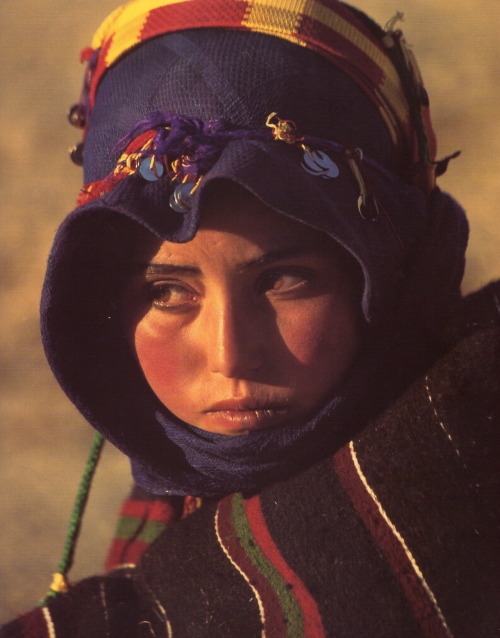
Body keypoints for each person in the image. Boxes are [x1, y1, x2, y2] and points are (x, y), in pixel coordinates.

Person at [2, 0, 499, 636]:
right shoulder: (163, 511)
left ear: (390, 266)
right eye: (167, 293)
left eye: (284, 280)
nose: (230, 355)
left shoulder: (468, 464)